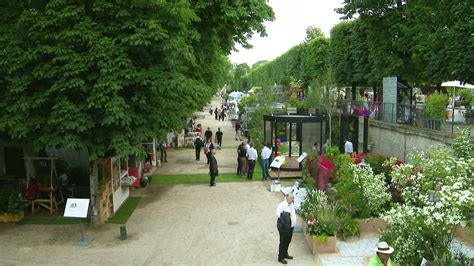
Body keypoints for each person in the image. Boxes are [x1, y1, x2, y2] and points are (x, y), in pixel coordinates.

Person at [276, 192, 296, 264]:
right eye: (291, 198)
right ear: (287, 198)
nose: (292, 199)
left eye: (293, 198)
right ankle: (280, 257)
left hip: (290, 227)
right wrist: (286, 216)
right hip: (284, 227)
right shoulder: (281, 205)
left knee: (288, 240)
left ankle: (285, 253)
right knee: (283, 241)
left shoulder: (292, 204)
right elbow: (278, 214)